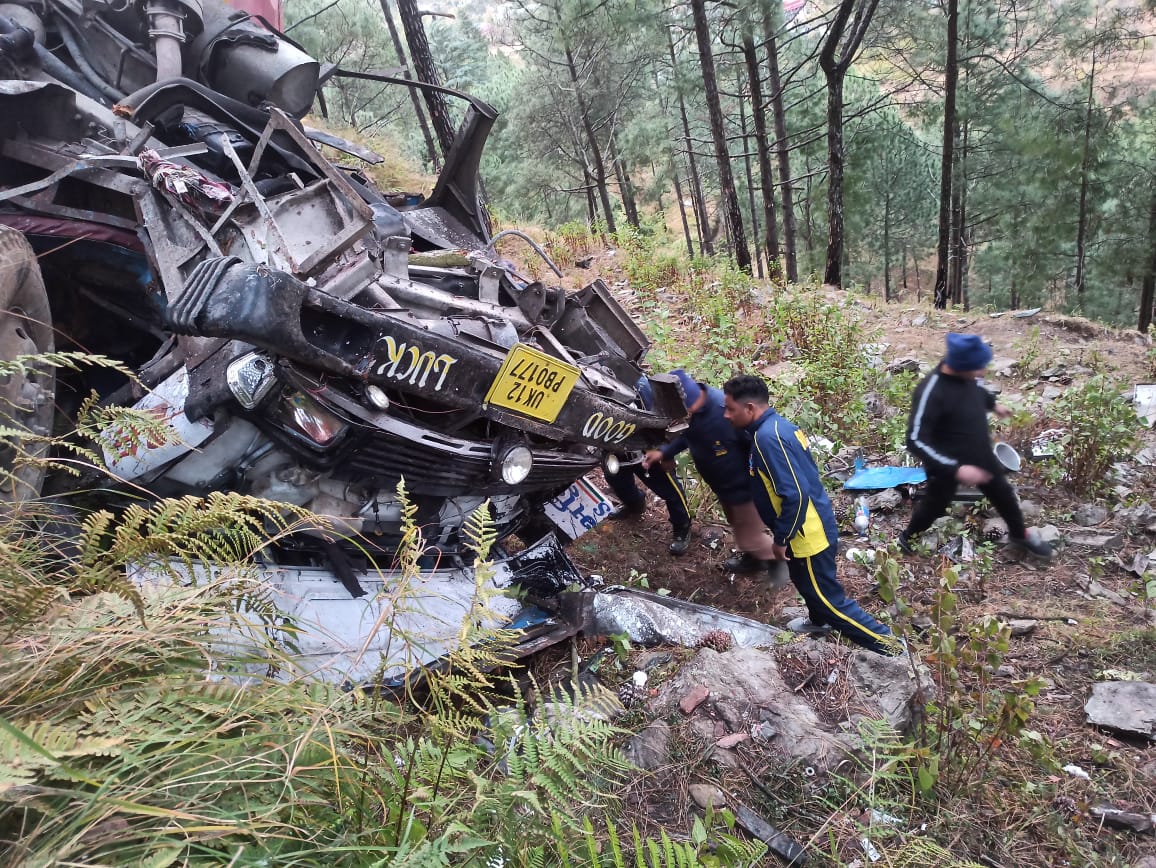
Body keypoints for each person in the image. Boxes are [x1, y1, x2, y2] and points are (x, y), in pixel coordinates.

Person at [722, 374, 898, 655]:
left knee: (829, 599)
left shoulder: (769, 440)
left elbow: (795, 494)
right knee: (805, 582)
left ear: (750, 408)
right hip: (811, 523)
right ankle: (818, 623)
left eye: (730, 409)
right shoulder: (776, 427)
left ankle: (891, 646)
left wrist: (781, 539)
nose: (726, 415)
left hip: (807, 534)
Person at [899, 332, 1053, 558]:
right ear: (961, 366)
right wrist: (956, 469)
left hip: (978, 452)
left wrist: (993, 404)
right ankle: (908, 537)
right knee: (935, 504)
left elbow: (976, 392)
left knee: (1003, 492)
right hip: (946, 462)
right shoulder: (930, 391)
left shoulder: (967, 377)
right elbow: (914, 439)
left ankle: (1019, 534)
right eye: (978, 367)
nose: (982, 371)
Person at [641, 369, 786, 585]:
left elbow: (757, 447)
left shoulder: (725, 413)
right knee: (737, 524)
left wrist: (756, 484)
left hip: (744, 489)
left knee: (750, 535)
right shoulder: (690, 414)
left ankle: (778, 567)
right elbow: (686, 436)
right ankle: (753, 558)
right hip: (723, 486)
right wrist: (665, 452)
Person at [604, 377, 694, 555]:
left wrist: (666, 452)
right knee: (618, 482)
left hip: (647, 451)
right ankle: (634, 505)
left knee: (670, 490)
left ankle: (682, 527)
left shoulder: (644, 387)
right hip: (614, 449)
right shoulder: (595, 380)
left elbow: (670, 421)